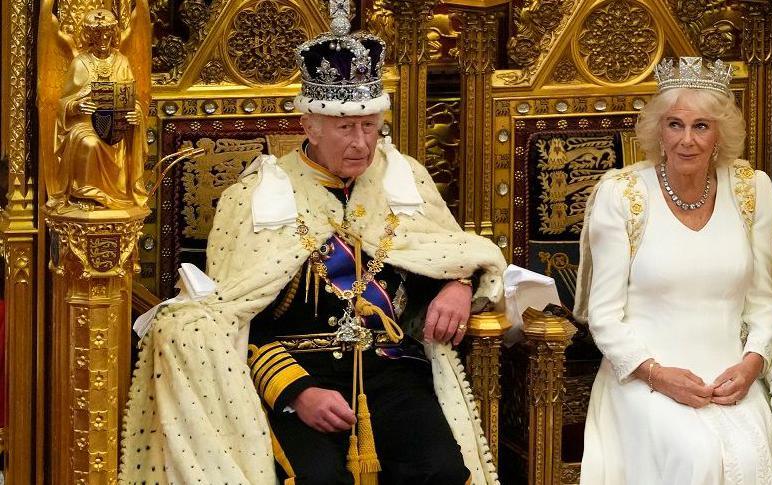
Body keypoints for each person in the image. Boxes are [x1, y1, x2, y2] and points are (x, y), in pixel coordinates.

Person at [119, 2, 505, 484]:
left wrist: (459, 285)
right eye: (346, 127)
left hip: (393, 372)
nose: (362, 143)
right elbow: (229, 318)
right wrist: (295, 392)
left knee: (444, 471)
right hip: (299, 374)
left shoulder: (406, 179)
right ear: (309, 125)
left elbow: (445, 253)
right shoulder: (256, 194)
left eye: (370, 126)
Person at [576, 57, 772, 484]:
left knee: (754, 451)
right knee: (698, 453)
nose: (686, 140)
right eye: (675, 125)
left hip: (730, 379)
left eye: (701, 126)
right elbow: (604, 316)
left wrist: (752, 365)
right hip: (642, 377)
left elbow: (764, 303)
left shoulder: (752, 191)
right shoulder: (624, 197)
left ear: (720, 134)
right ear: (658, 130)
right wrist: (656, 374)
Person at [53, 8, 148, 209]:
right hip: (85, 125)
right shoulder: (80, 63)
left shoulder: (121, 61)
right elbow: (63, 103)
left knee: (115, 142)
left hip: (116, 127)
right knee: (90, 143)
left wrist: (136, 113)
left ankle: (119, 194)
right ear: (89, 35)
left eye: (107, 33)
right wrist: (77, 106)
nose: (103, 38)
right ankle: (85, 194)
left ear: (113, 34)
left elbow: (132, 98)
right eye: (97, 34)